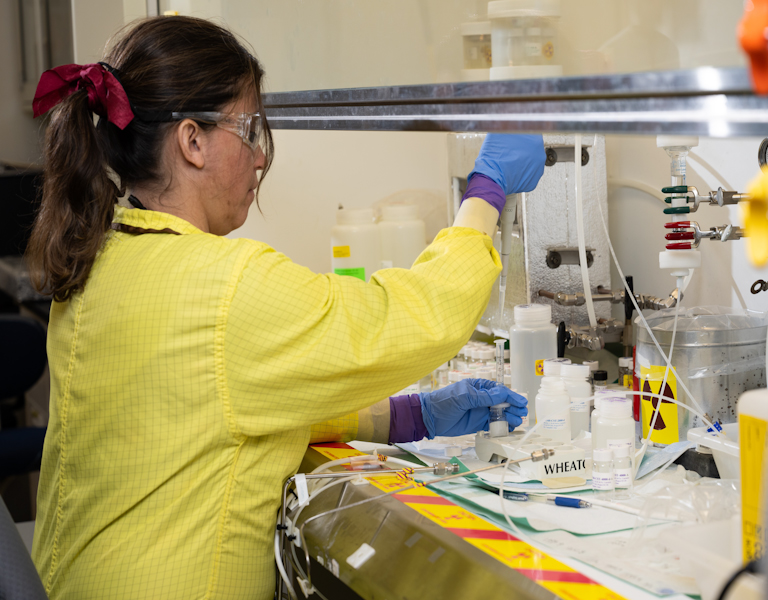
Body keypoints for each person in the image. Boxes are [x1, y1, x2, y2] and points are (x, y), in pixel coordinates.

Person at [26, 15, 547, 600]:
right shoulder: (223, 288)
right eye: (250, 129)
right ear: (191, 141)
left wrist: (409, 417)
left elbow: (208, 412)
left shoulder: (105, 259)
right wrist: (486, 190)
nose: (260, 158)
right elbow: (409, 317)